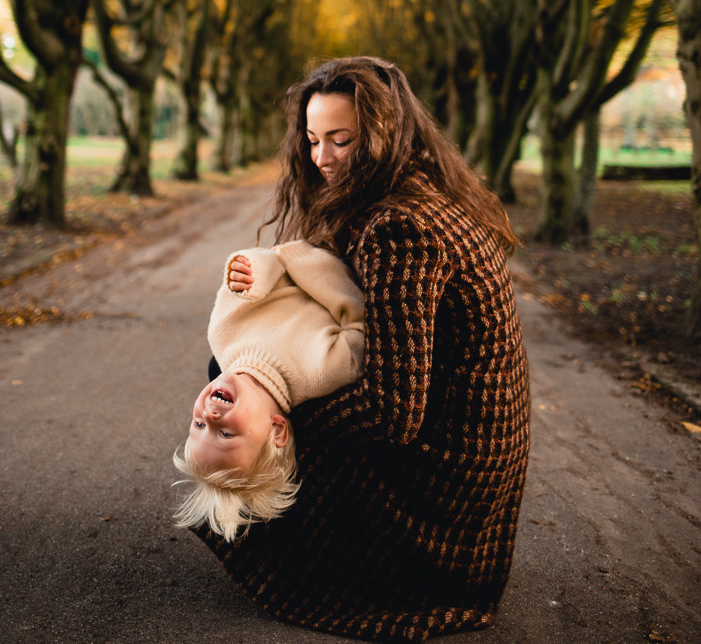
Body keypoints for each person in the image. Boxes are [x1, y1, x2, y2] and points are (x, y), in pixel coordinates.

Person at [194, 56, 531, 641]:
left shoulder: (403, 228)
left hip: (451, 471)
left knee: (249, 412)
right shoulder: (408, 193)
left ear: (384, 134)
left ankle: (309, 553)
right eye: (312, 139)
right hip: (454, 432)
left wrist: (277, 418)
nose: (322, 158)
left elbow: (393, 413)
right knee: (235, 379)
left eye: (341, 141)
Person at [173, 240, 365, 540]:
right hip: (319, 258)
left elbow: (251, 271)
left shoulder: (222, 336)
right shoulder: (322, 372)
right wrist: (305, 262)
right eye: (225, 434)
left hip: (291, 246)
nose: (209, 415)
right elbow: (357, 318)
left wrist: (249, 272)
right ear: (276, 431)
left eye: (198, 425)